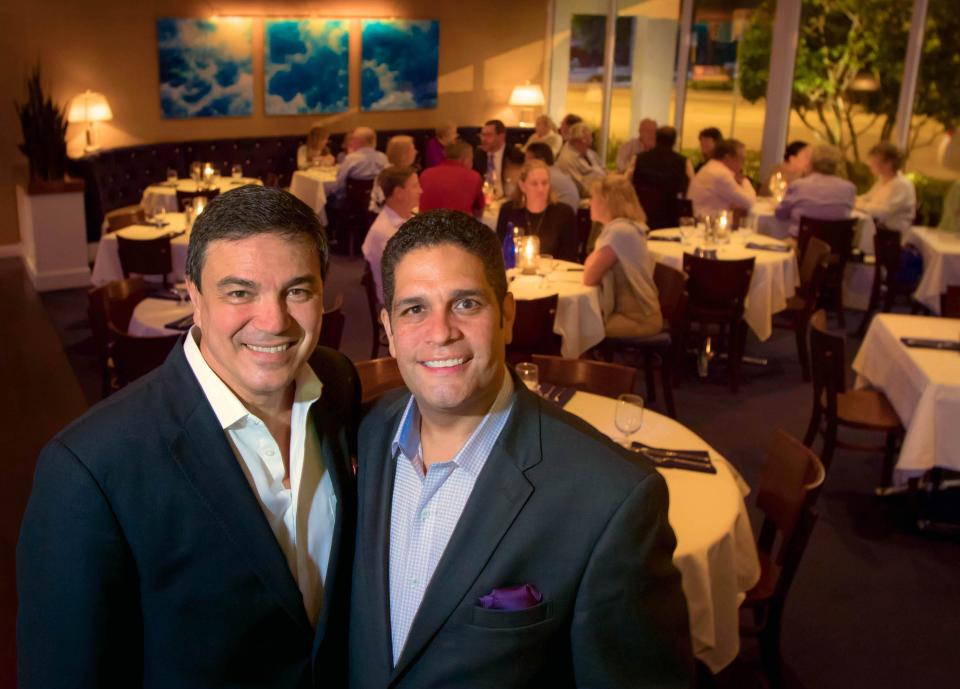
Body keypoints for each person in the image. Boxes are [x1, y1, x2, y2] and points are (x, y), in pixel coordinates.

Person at [17, 185, 359, 688]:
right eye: (240, 292)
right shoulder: (89, 468)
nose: (273, 320)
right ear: (195, 298)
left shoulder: (337, 382)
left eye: (298, 291)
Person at [348, 208, 692, 688]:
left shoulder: (611, 500)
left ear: (507, 314)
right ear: (387, 328)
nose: (441, 331)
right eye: (414, 309)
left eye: (466, 304)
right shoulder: (364, 432)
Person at [584, 175, 663, 338]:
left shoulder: (620, 232)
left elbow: (589, 276)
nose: (589, 203)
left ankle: (581, 364)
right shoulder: (624, 229)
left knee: (578, 328)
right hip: (637, 315)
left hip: (638, 319)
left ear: (607, 203)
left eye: (593, 198)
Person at [495, 159, 578, 262]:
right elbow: (499, 252)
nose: (541, 189)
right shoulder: (508, 211)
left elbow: (569, 257)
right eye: (534, 184)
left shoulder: (564, 213)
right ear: (522, 186)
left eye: (545, 183)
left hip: (554, 274)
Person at [363, 166, 422, 303]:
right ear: (399, 193)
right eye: (415, 186)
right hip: (398, 302)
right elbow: (400, 280)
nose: (421, 191)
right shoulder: (385, 233)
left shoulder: (407, 219)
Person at [774, 144, 856, 237]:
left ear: (811, 163)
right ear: (837, 165)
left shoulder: (799, 185)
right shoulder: (849, 188)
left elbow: (780, 214)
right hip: (837, 247)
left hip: (801, 245)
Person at [632, 125, 694, 229]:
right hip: (672, 213)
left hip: (644, 210)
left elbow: (629, 181)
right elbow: (692, 185)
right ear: (674, 142)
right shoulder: (683, 162)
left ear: (656, 139)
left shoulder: (639, 159)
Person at [687, 137, 756, 218]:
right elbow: (749, 202)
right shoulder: (721, 174)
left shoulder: (711, 167)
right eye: (741, 159)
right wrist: (744, 180)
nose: (742, 164)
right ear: (728, 157)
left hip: (702, 220)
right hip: (707, 224)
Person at [856, 142, 917, 233]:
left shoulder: (901, 185)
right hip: (878, 227)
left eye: (873, 162)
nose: (869, 164)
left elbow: (883, 212)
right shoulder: (883, 180)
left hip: (891, 233)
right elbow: (868, 198)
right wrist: (852, 200)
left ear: (888, 163)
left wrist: (856, 205)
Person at [419, 139, 484, 218]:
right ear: (465, 159)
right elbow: (479, 212)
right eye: (471, 159)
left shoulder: (425, 174)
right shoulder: (474, 177)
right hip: (457, 229)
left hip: (425, 228)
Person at [329, 126, 388, 198]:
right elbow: (386, 181)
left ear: (357, 141)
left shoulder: (351, 159)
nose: (351, 142)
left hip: (351, 203)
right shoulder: (383, 158)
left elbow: (338, 185)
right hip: (376, 203)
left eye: (353, 139)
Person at [555, 122, 607, 198]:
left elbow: (604, 169)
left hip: (604, 189)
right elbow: (581, 189)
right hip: (590, 198)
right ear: (583, 140)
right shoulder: (567, 160)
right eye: (590, 136)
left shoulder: (589, 152)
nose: (592, 140)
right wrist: (605, 190)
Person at [525, 141, 580, 212]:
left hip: (558, 218)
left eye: (528, 160)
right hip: (568, 216)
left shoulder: (545, 177)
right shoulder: (556, 172)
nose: (525, 164)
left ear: (541, 161)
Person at [369, 135, 418, 212]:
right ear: (403, 154)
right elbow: (383, 205)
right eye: (413, 149)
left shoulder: (404, 171)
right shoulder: (390, 175)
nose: (416, 152)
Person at [473, 119, 508, 197]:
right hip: (483, 201)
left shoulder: (514, 156)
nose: (483, 139)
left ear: (501, 137)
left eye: (488, 135)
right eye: (482, 135)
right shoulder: (478, 154)